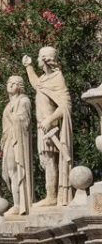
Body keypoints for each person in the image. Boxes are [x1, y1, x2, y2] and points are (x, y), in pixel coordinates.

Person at [24, 47, 72, 207]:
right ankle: (50, 195)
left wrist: (49, 120)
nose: (37, 59)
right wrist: (29, 67)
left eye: (38, 57)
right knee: (45, 161)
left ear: (45, 60)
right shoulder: (44, 79)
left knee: (50, 160)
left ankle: (51, 196)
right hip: (42, 128)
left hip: (51, 129)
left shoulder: (57, 78)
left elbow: (65, 106)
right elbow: (37, 84)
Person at [1, 75, 33, 215]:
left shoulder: (24, 101)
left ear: (19, 86)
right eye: (8, 82)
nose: (9, 85)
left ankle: (19, 204)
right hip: (9, 139)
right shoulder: (9, 105)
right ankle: (16, 203)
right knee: (10, 171)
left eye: (13, 83)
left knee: (15, 170)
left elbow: (24, 121)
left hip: (18, 141)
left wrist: (12, 117)